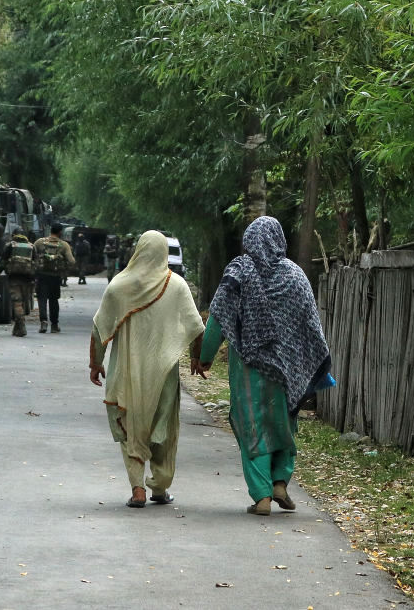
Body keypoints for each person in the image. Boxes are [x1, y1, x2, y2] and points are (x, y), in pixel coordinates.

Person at [199, 216, 330, 516]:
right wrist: (310, 363)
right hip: (288, 369)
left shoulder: (239, 272)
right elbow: (311, 325)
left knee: (253, 427)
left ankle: (261, 496)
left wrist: (205, 356)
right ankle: (281, 481)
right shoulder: (295, 276)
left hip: (249, 367)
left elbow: (218, 317)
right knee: (283, 422)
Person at [89, 230, 205, 508]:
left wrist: (95, 364)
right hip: (164, 374)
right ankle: (160, 488)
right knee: (163, 427)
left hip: (126, 371)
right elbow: (196, 325)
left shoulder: (119, 286)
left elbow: (98, 328)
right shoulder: (176, 285)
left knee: (132, 426)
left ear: (138, 251)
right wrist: (197, 358)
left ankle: (138, 488)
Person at [34, 224, 75, 333]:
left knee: (42, 299)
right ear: (60, 232)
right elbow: (72, 261)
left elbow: (31, 256)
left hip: (41, 276)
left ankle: (43, 323)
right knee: (53, 300)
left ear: (51, 230)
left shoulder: (39, 242)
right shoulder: (64, 245)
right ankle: (54, 325)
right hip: (55, 277)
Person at [0, 228, 37, 337]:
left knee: (17, 303)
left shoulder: (10, 246)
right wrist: (35, 280)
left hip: (14, 278)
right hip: (28, 279)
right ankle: (17, 329)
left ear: (13, 235)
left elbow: (2, 263)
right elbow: (36, 264)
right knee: (23, 303)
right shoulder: (32, 246)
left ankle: (22, 326)